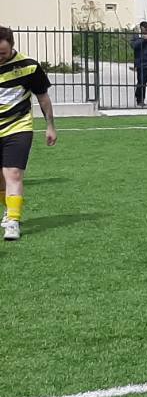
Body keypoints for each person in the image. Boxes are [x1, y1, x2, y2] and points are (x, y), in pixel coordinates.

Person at [0, 27, 59, 242]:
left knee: (13, 173)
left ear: (12, 46)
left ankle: (13, 222)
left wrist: (50, 126)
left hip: (18, 126)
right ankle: (9, 209)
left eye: (3, 53)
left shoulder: (29, 67)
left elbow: (43, 97)